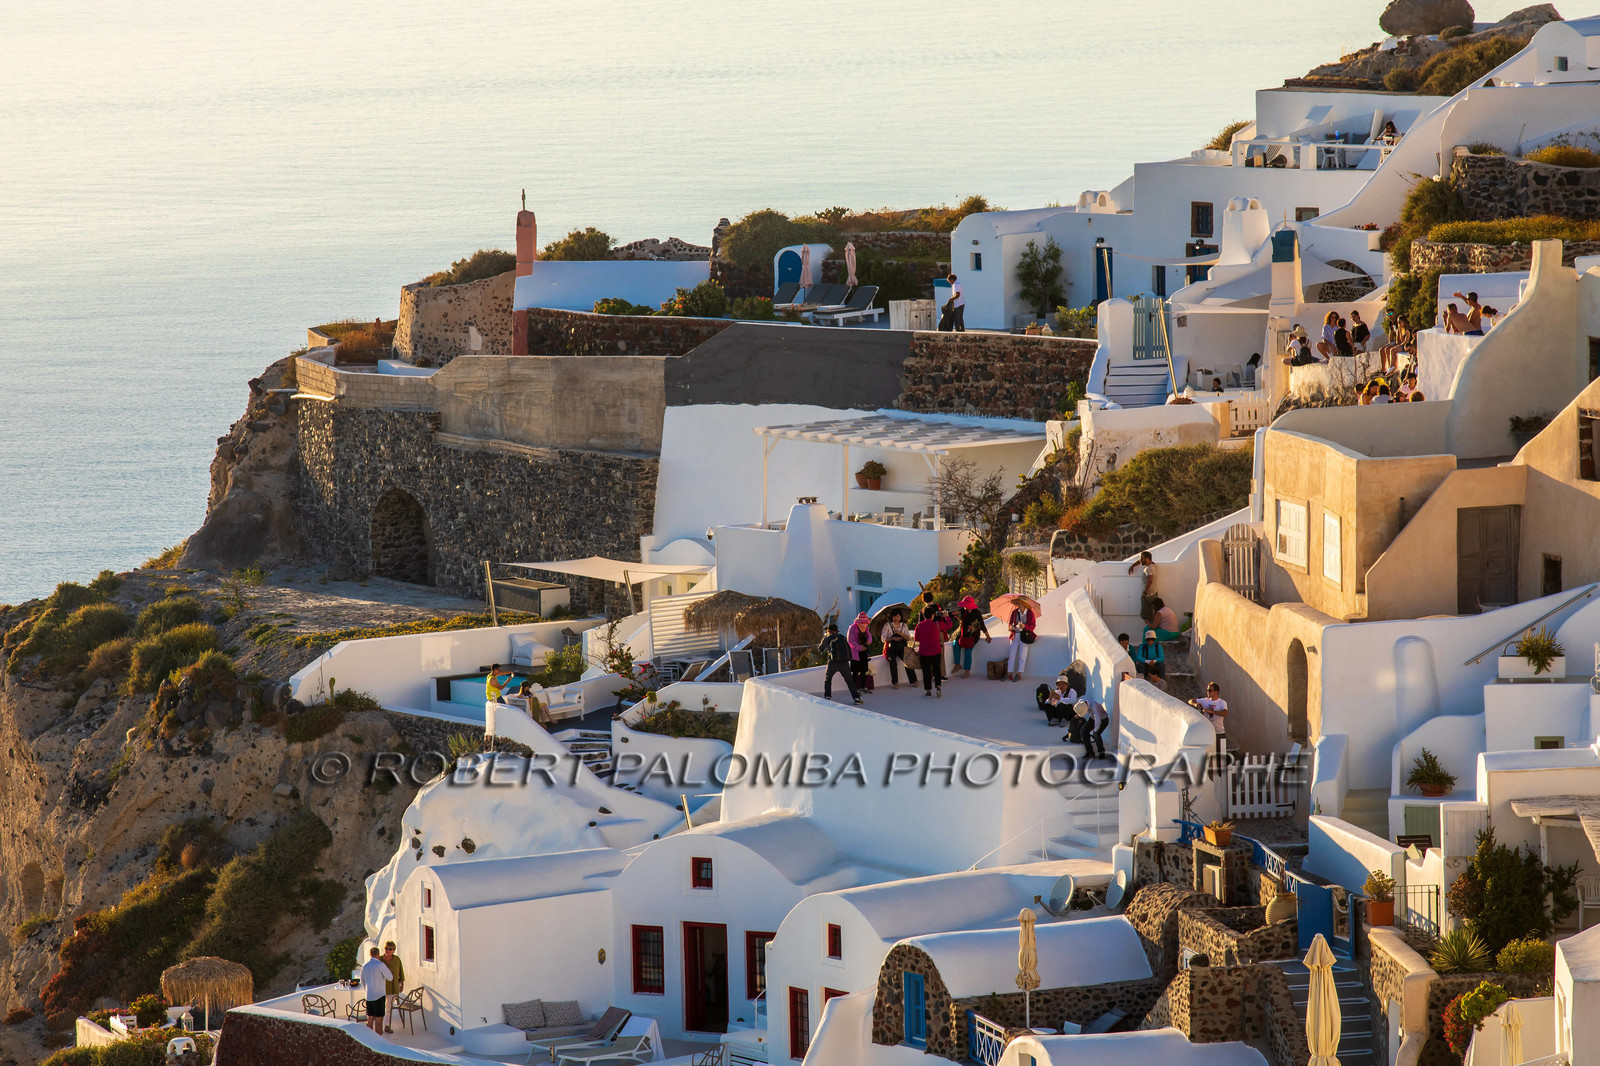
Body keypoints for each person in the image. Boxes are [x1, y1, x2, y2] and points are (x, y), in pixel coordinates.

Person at [818, 623, 860, 704]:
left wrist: (825, 644)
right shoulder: (843, 637)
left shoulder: (826, 639)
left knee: (828, 679)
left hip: (832, 663)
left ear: (829, 632)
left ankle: (828, 697)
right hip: (844, 663)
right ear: (837, 631)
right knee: (849, 680)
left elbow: (820, 650)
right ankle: (856, 698)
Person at [952, 595, 991, 678]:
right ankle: (957, 664)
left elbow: (982, 625)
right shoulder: (963, 611)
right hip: (962, 634)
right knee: (955, 645)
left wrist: (988, 636)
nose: (964, 607)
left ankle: (967, 671)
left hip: (972, 636)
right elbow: (955, 614)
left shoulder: (977, 613)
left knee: (968, 651)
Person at [913, 606, 947, 698]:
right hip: (936, 650)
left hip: (924, 652)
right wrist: (946, 616)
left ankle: (928, 690)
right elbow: (949, 625)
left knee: (926, 672)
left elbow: (917, 639)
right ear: (933, 615)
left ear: (923, 615)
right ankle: (938, 687)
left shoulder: (919, 625)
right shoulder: (937, 624)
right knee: (937, 670)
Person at [360, 947, 393, 1036]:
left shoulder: (364, 966)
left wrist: (367, 989)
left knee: (370, 1019)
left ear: (370, 954)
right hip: (379, 996)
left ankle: (369, 1041)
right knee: (379, 1022)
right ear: (378, 955)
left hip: (369, 996)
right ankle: (378, 1044)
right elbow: (390, 977)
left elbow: (362, 981)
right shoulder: (380, 965)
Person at [1189, 682, 1229, 756]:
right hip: (1207, 733)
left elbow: (1225, 713)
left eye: (1210, 690)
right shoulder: (1205, 700)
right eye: (1207, 690)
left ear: (1216, 692)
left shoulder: (1222, 703)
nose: (1208, 692)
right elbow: (1190, 701)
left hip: (1218, 733)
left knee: (1220, 756)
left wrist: (1212, 711)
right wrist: (1195, 704)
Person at [881, 608, 917, 689]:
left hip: (902, 647)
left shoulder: (904, 625)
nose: (896, 618)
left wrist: (900, 634)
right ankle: (895, 682)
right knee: (892, 661)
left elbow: (908, 638)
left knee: (907, 660)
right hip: (891, 648)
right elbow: (883, 639)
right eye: (894, 616)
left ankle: (913, 680)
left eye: (898, 616)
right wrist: (893, 638)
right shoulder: (887, 625)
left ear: (900, 617)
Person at [1005, 601, 1036, 682]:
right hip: (1015, 635)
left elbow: (1033, 626)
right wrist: (1011, 627)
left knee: (1022, 656)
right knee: (1012, 655)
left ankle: (1019, 674)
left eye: (1019, 603)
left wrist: (1024, 626)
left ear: (1024, 604)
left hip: (1024, 636)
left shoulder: (1030, 613)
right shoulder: (1015, 612)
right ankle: (1009, 673)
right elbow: (1010, 624)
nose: (1017, 604)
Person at [381, 941, 406, 1034]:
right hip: (382, 987)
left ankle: (387, 1025)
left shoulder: (397, 960)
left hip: (393, 987)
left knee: (389, 1007)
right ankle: (378, 1025)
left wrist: (402, 984)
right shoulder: (380, 959)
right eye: (386, 948)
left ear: (393, 950)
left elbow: (401, 973)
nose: (387, 950)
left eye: (390, 949)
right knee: (380, 1007)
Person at [846, 611, 874, 695]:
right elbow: (850, 641)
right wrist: (860, 647)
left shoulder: (866, 628)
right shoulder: (852, 628)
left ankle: (862, 687)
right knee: (855, 672)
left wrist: (869, 641)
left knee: (863, 671)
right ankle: (854, 689)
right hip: (855, 654)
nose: (864, 626)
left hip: (864, 653)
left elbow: (869, 636)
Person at [1128, 550, 1157, 622]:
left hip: (1148, 596)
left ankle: (1149, 630)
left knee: (1147, 617)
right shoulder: (1153, 565)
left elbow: (1150, 580)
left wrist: (1145, 593)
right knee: (1153, 615)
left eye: (1142, 558)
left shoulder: (1148, 569)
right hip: (1154, 594)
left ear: (1147, 559)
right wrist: (1133, 565)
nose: (1141, 560)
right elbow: (1140, 561)